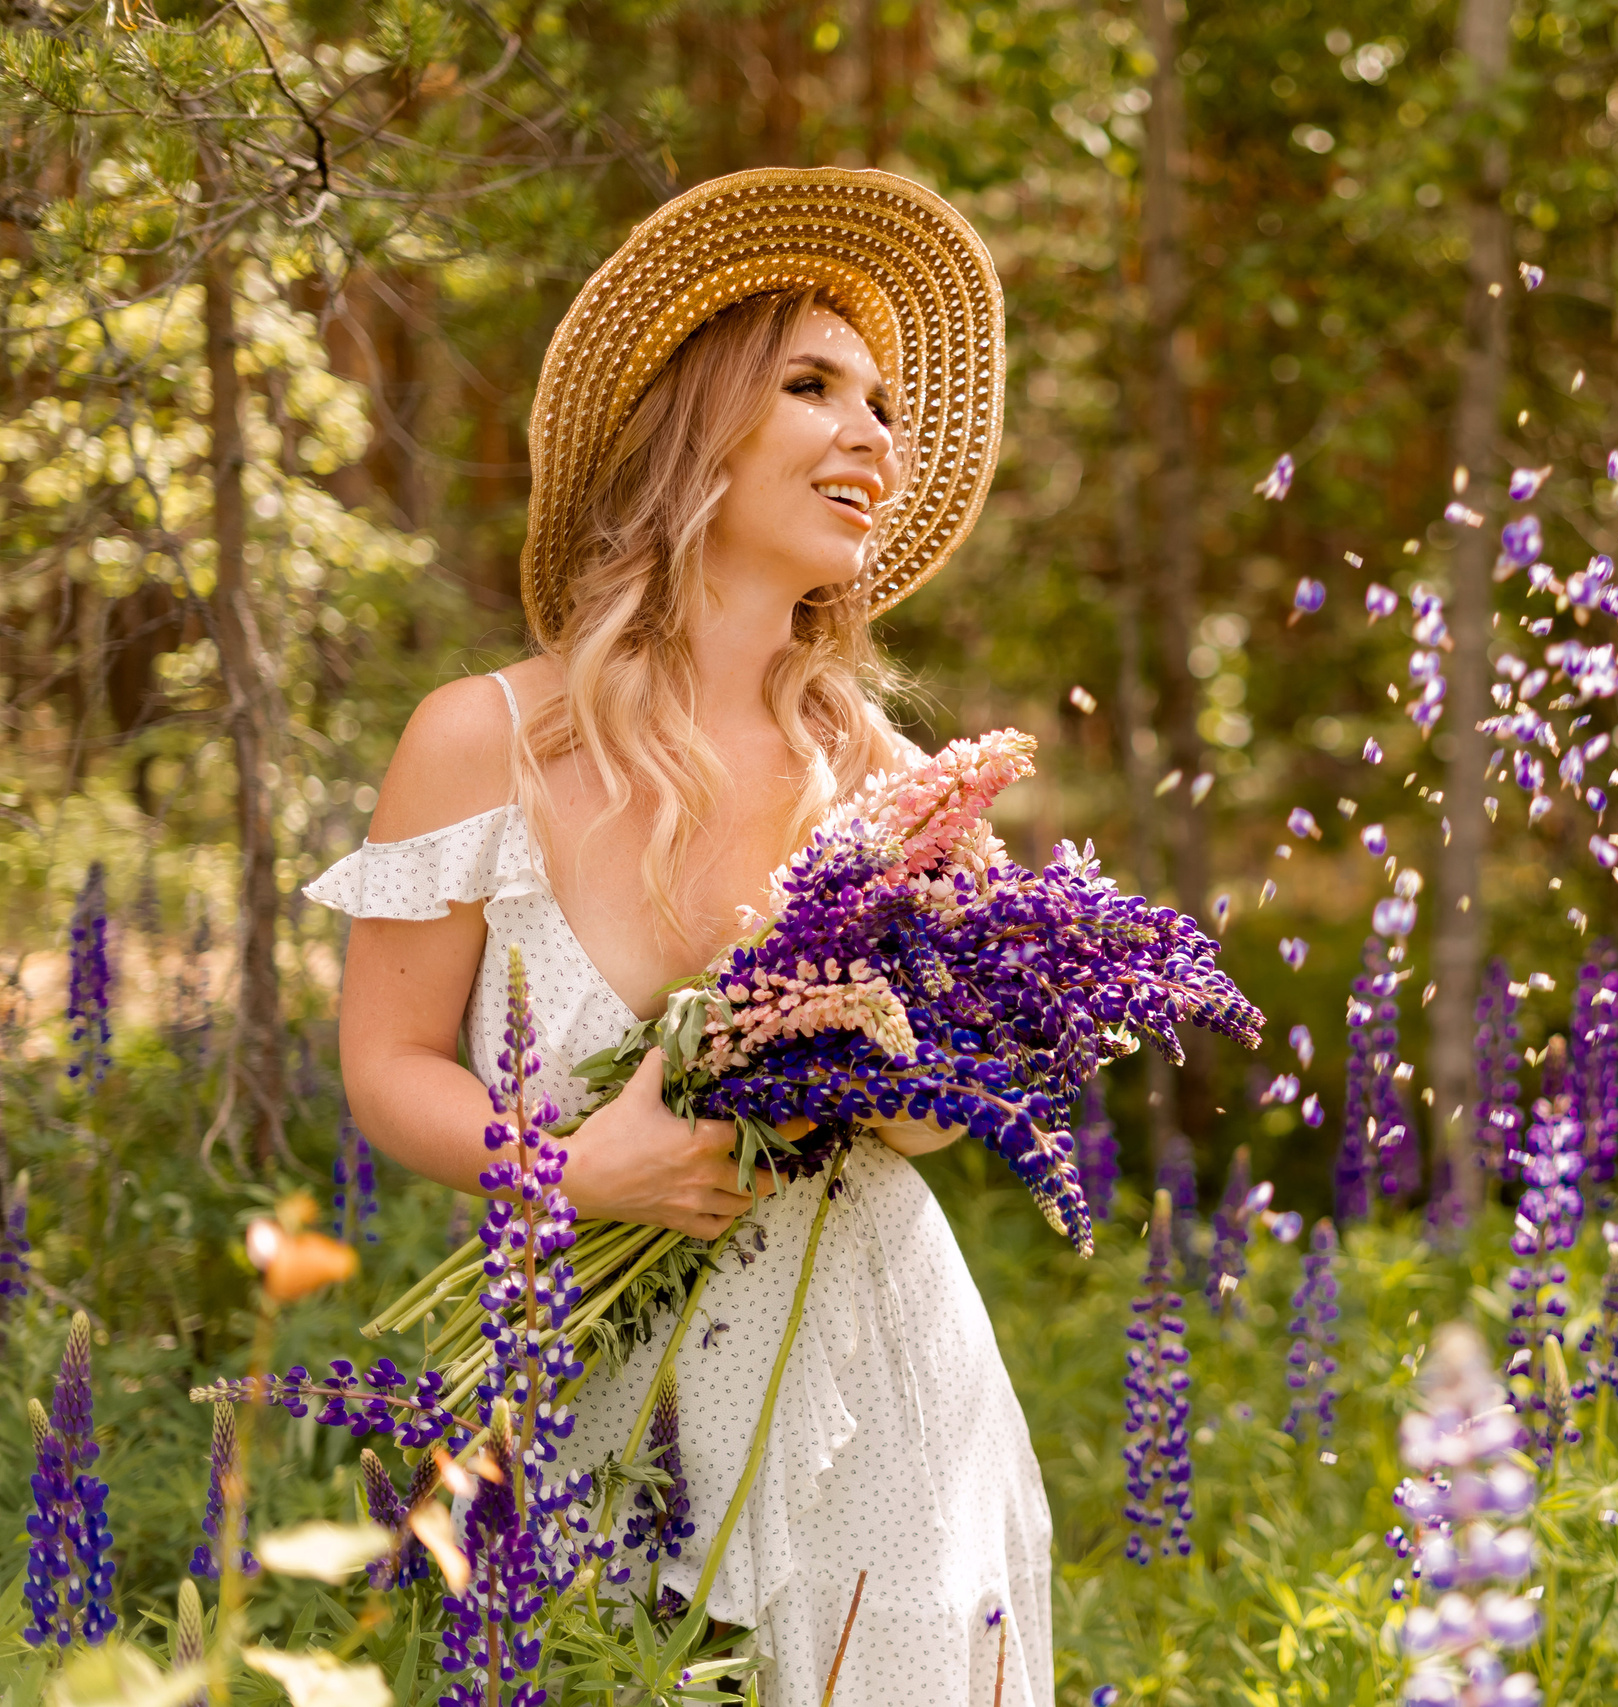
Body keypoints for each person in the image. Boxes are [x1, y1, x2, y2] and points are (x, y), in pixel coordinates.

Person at [309, 168, 1045, 1707]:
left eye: (889, 406)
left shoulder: (899, 793)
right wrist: (568, 1167)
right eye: (814, 385)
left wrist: (891, 1073)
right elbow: (385, 1063)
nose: (874, 437)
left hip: (872, 1389)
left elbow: (927, 1127)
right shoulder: (482, 740)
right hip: (585, 1387)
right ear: (694, 424)